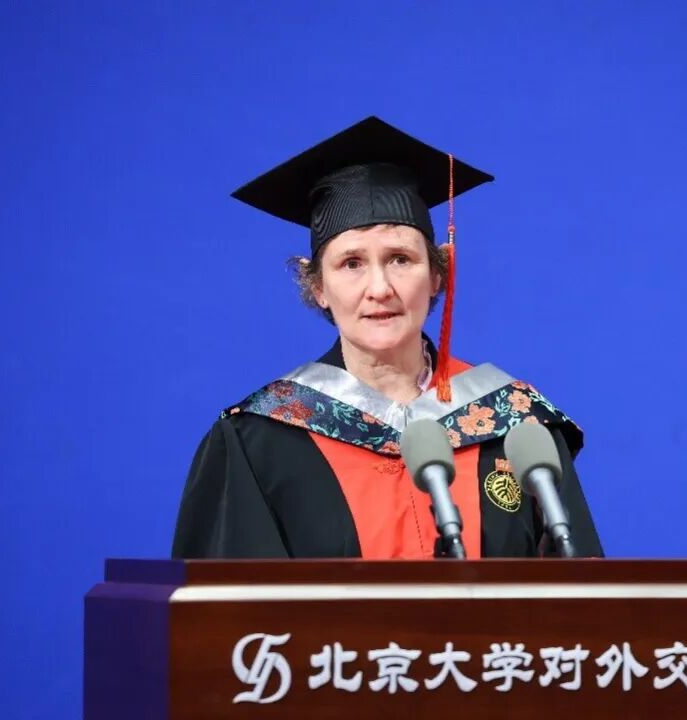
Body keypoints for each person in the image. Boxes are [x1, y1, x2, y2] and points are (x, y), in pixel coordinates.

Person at [171, 117, 602, 559]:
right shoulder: (258, 440)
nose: (379, 288)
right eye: (351, 264)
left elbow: (580, 590)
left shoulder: (516, 426)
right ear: (318, 287)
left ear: (436, 275)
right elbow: (230, 599)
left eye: (400, 259)